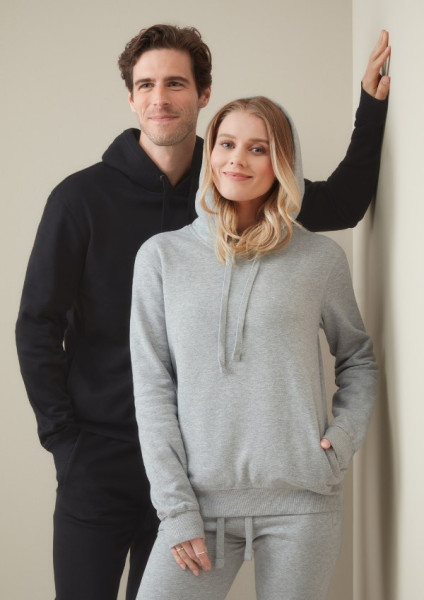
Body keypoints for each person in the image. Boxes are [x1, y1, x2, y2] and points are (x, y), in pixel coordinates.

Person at [15, 23, 389, 600]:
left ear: (203, 93)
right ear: (131, 97)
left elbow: (341, 202)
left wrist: (371, 106)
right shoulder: (81, 199)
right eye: (146, 85)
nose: (160, 98)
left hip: (207, 466)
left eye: (175, 83)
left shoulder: (238, 181)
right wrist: (65, 441)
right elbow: (37, 325)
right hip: (104, 454)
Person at [130, 96, 378, 599]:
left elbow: (358, 358)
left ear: (282, 162)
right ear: (210, 153)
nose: (236, 160)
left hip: (302, 503)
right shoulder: (162, 257)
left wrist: (343, 438)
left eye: (257, 148)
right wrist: (176, 510)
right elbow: (152, 388)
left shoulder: (319, 259)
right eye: (226, 144)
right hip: (198, 506)